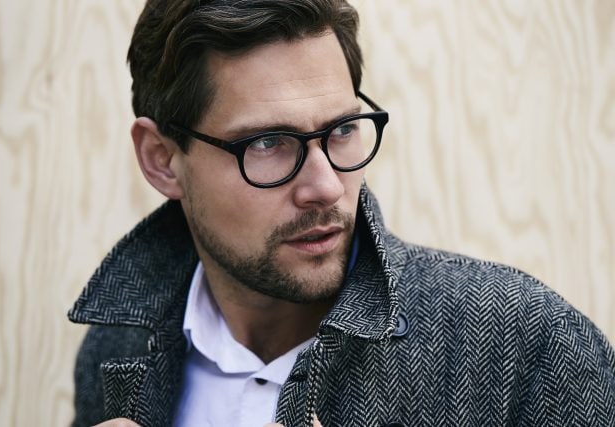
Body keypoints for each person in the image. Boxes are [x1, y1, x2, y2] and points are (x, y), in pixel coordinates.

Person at [68, 0, 615, 426]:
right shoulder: (117, 350)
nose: (326, 186)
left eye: (342, 129)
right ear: (162, 160)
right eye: (267, 143)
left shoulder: (528, 345)